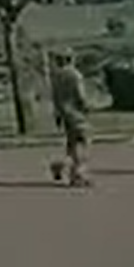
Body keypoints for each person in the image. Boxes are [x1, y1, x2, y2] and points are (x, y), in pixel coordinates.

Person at [48, 50, 93, 187]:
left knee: (72, 145)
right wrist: (86, 106)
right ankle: (76, 173)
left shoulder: (56, 77)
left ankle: (63, 167)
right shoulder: (75, 75)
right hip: (76, 113)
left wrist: (57, 114)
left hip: (64, 113)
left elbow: (55, 97)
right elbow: (80, 95)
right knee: (83, 144)